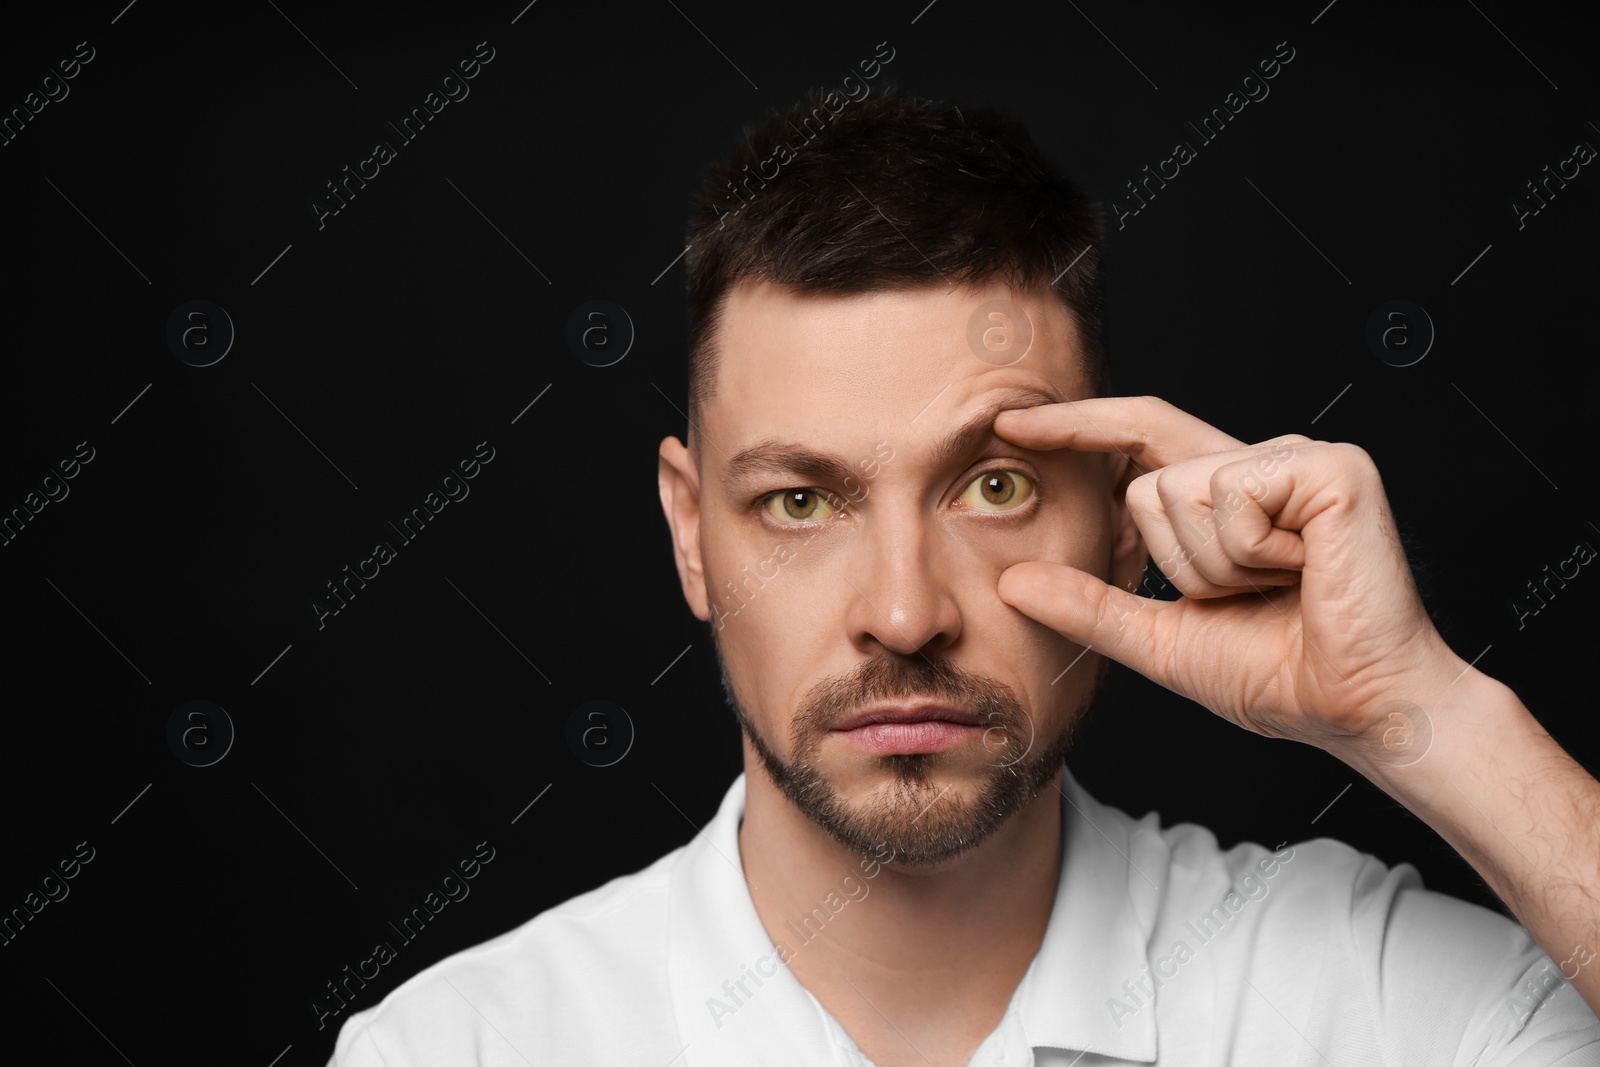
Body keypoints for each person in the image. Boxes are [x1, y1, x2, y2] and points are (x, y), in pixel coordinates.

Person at [326, 84, 1600, 1066]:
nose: (903, 613)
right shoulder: (464, 1047)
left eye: (994, 486)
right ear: (689, 533)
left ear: (1122, 520)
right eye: (800, 500)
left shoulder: (1361, 1002)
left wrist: (1415, 709)